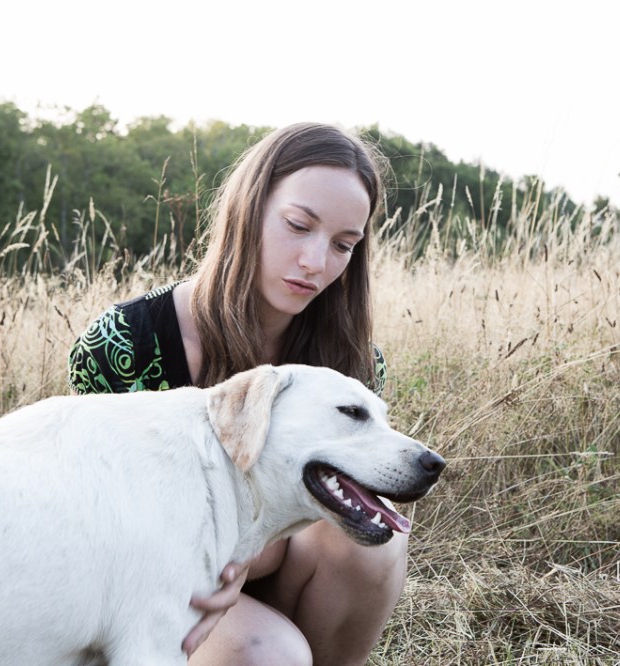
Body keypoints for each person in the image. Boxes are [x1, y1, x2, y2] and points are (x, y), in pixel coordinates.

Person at [67, 122, 402, 666]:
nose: (316, 263)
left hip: (280, 569)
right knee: (267, 652)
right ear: (248, 209)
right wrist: (219, 554)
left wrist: (246, 553)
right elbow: (96, 516)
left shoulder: (353, 364)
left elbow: (341, 498)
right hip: (151, 582)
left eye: (344, 245)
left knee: (373, 536)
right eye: (298, 225)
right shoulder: (125, 343)